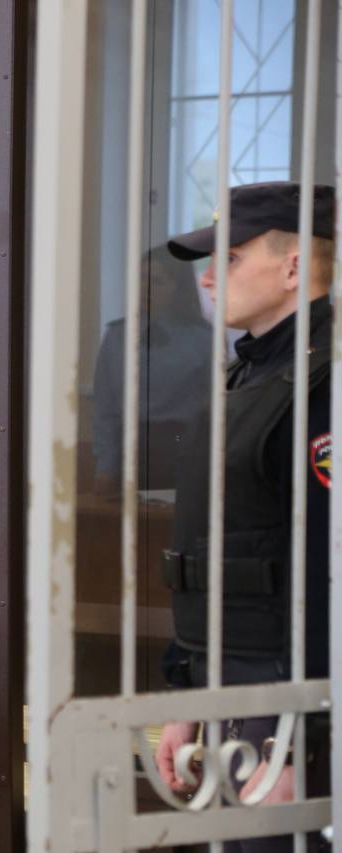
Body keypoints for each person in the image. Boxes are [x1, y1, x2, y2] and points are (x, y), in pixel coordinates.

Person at [151, 182, 334, 852]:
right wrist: (187, 694)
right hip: (231, 690)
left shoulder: (325, 384)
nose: (206, 277)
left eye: (229, 258)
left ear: (293, 268)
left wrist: (295, 739)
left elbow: (325, 574)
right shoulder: (246, 376)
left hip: (287, 707)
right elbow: (216, 552)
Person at [91, 246, 211, 492]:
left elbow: (214, 408)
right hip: (128, 448)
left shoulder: (203, 339)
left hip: (181, 446)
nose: (145, 289)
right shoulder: (117, 335)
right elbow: (105, 408)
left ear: (177, 288)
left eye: (157, 281)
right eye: (141, 279)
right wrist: (105, 466)